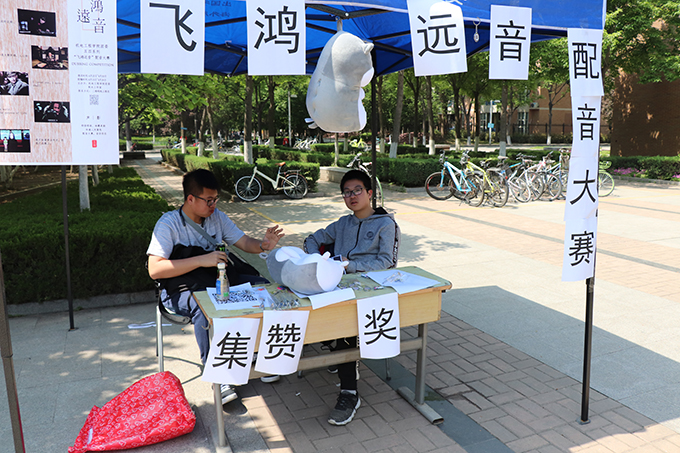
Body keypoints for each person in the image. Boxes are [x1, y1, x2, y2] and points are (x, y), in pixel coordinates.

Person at [147, 169, 284, 405]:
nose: (213, 205)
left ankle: (258, 354)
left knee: (262, 289)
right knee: (205, 307)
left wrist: (263, 245)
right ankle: (218, 376)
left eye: (216, 199)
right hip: (181, 288)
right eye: (208, 200)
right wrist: (202, 260)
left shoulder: (217, 217)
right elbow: (155, 269)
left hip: (217, 279)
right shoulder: (168, 224)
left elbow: (244, 242)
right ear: (191, 198)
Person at [304, 169, 400, 426]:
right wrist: (318, 260)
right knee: (312, 309)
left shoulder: (386, 224)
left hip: (369, 290)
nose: (352, 196)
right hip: (336, 285)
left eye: (357, 190)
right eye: (346, 193)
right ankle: (338, 351)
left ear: (369, 193)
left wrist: (349, 266)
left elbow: (387, 262)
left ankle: (349, 392)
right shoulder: (343, 223)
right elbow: (311, 239)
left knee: (345, 324)